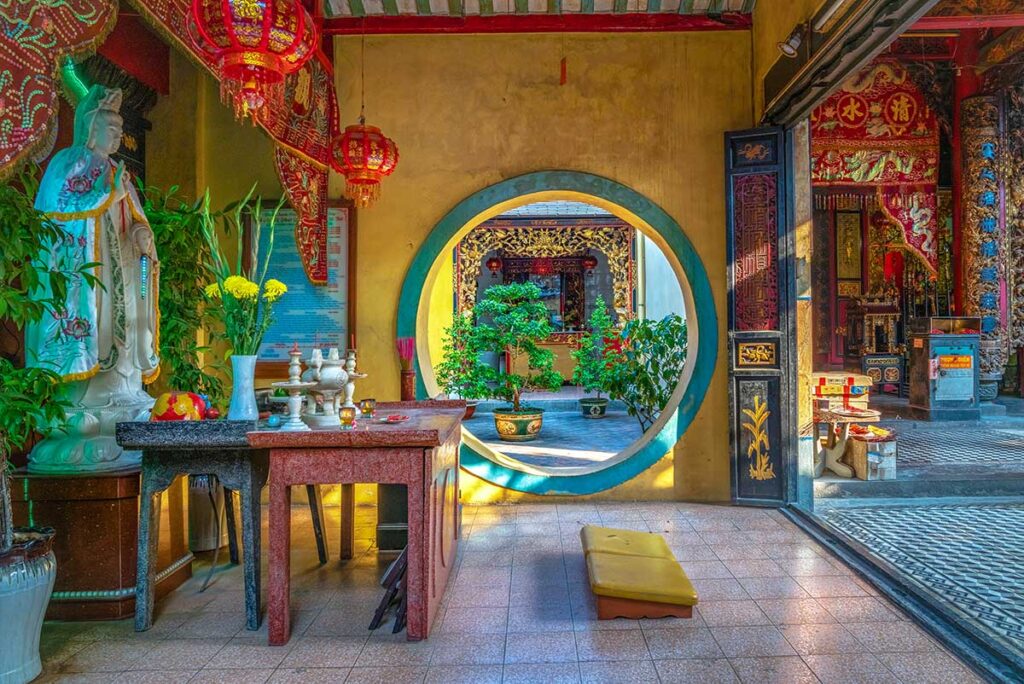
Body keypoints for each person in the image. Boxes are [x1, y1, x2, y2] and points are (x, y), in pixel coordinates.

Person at [26, 84, 160, 473]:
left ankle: (124, 394)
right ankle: (84, 406)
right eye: (110, 126)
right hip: (88, 277)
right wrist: (106, 198)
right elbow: (59, 214)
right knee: (94, 334)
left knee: (124, 334)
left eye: (120, 127)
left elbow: (133, 219)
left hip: (120, 271)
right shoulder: (68, 165)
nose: (118, 134)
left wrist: (141, 234)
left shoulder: (119, 173)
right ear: (89, 127)